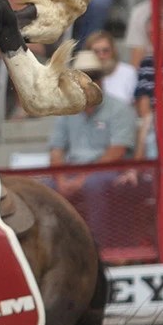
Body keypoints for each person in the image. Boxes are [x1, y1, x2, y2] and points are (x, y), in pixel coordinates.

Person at [48, 50, 137, 232]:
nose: (88, 82)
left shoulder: (120, 109)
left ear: (102, 80)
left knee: (94, 185)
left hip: (108, 171)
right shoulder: (66, 110)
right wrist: (60, 179)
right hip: (73, 170)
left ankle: (99, 247)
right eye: (83, 78)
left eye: (93, 77)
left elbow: (117, 152)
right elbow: (56, 150)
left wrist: (81, 178)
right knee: (44, 187)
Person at [83, 31, 139, 105]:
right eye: (96, 52)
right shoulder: (82, 76)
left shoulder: (128, 72)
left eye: (105, 51)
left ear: (113, 51)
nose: (101, 56)